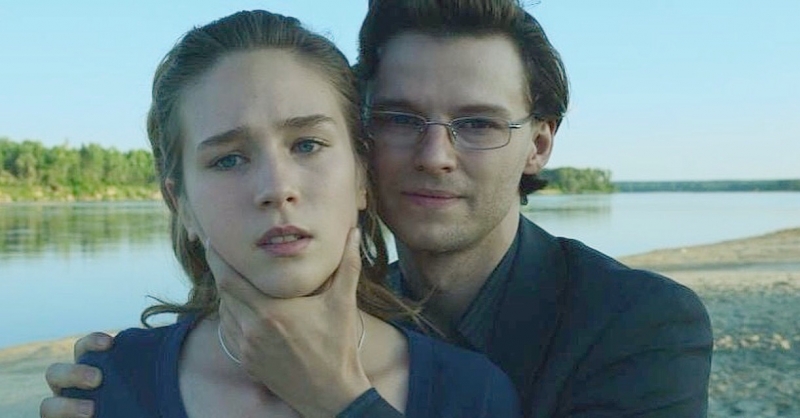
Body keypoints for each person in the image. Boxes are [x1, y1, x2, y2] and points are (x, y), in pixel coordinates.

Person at [42, 1, 713, 417]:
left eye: (477, 123)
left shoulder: (640, 323)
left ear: (538, 144)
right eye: (399, 118)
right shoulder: (120, 377)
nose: (435, 155)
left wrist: (336, 399)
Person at [48, 9, 522, 418]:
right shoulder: (107, 384)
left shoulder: (470, 393)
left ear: (361, 176)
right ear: (181, 205)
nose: (277, 189)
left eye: (307, 145)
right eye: (228, 160)